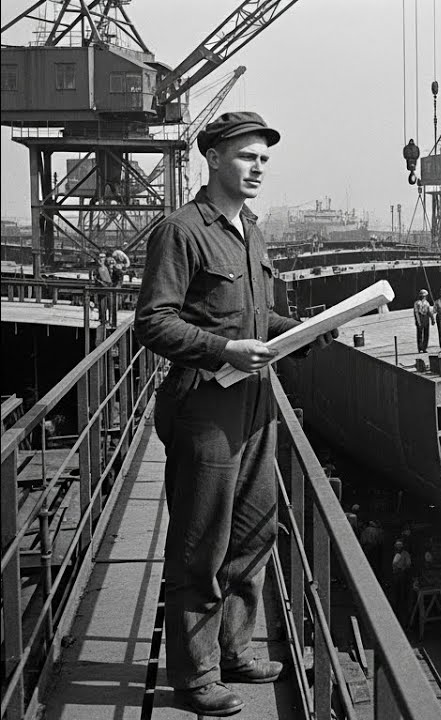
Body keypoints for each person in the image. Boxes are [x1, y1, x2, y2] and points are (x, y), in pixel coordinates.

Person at [136, 112, 340, 716]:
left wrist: (302, 332)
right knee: (201, 544)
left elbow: (256, 322)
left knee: (254, 531)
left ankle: (235, 649)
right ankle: (196, 674)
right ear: (215, 158)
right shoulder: (181, 231)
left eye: (264, 160)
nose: (258, 169)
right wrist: (222, 349)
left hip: (255, 404)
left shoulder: (251, 231)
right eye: (248, 157)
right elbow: (154, 321)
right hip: (205, 405)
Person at [390, 539, 413, 620]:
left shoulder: (405, 554)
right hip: (395, 575)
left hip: (402, 575)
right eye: (397, 545)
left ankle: (402, 609)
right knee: (395, 592)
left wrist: (402, 568)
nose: (398, 546)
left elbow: (408, 565)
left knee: (402, 592)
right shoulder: (394, 554)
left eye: (400, 545)